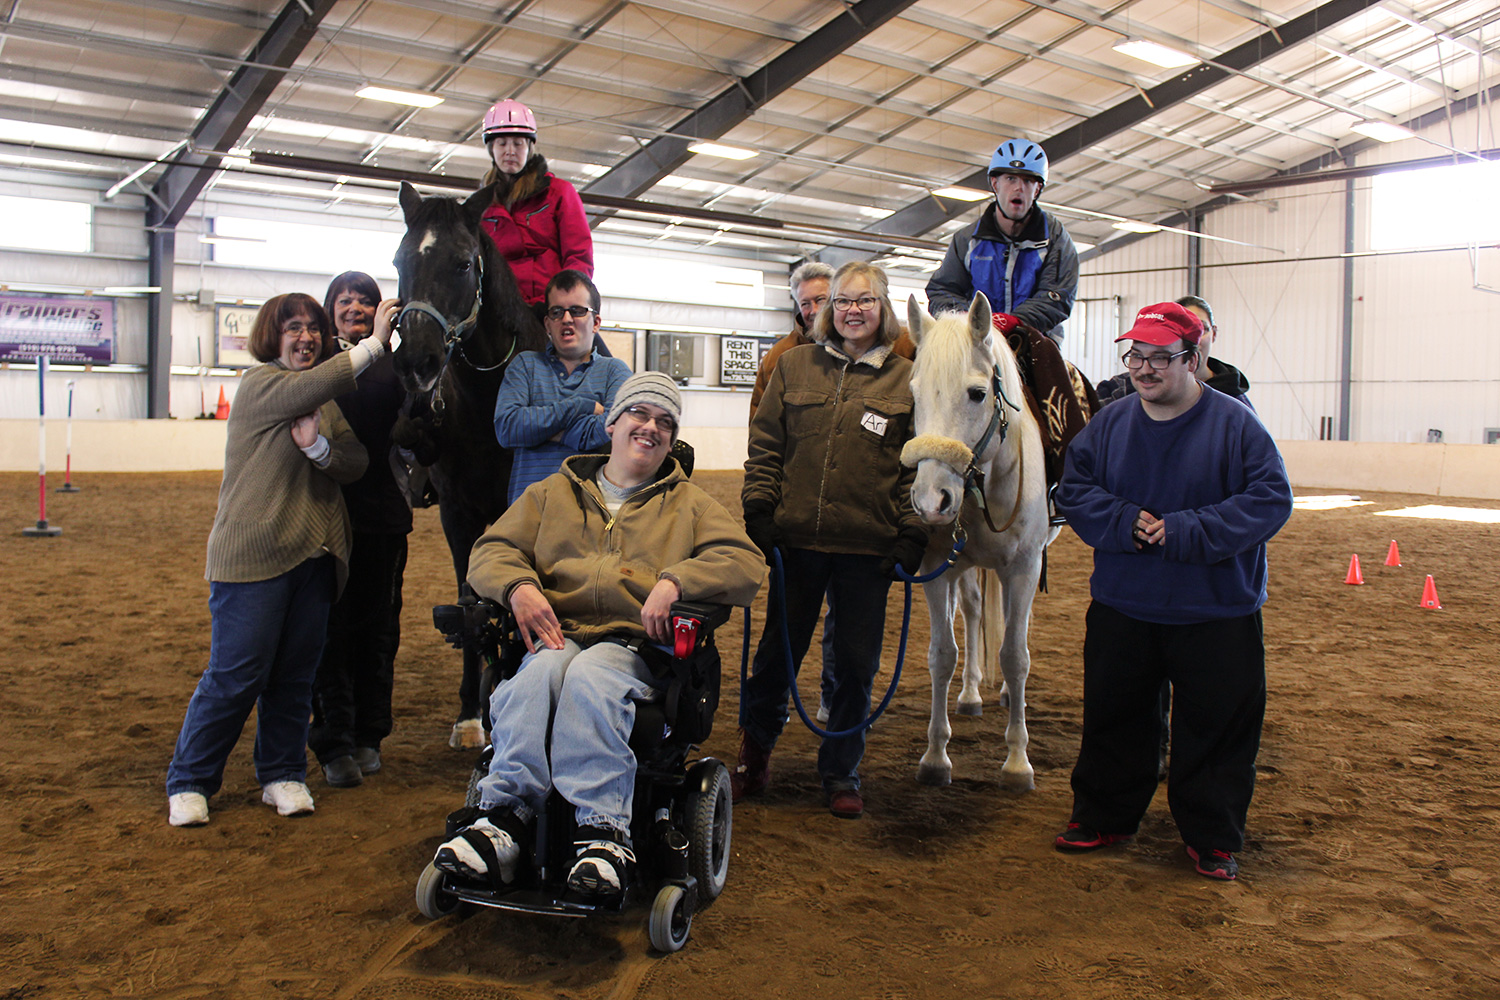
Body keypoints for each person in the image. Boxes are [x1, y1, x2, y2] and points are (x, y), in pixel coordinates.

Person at [430, 372, 764, 899]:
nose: (650, 427)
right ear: (611, 423)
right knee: (537, 674)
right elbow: (492, 550)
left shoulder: (690, 505)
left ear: (671, 440)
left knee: (588, 675)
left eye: (665, 422)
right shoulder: (551, 493)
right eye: (639, 414)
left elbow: (745, 563)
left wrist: (677, 581)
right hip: (557, 634)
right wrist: (518, 587)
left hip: (633, 646)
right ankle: (502, 819)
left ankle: (605, 833)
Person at [1051, 301, 1292, 881]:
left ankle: (1212, 836)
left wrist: (1189, 530)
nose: (1144, 368)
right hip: (1124, 605)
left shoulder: (1236, 424)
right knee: (1115, 718)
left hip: (1216, 610)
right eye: (1136, 356)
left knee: (1217, 727)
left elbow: (1270, 499)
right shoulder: (1108, 425)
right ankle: (1104, 816)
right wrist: (1121, 520)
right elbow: (1074, 490)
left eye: (1160, 357)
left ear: (1192, 358)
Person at [165, 291, 400, 826]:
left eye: (313, 328)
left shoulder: (323, 402)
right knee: (236, 675)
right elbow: (316, 386)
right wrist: (374, 344)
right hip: (254, 558)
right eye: (294, 328)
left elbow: (356, 460)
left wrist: (318, 448)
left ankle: (283, 773)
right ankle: (191, 779)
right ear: (272, 337)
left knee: (295, 676)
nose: (306, 337)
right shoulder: (262, 384)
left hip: (314, 558)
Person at [737, 261, 928, 821]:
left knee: (855, 666)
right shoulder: (793, 366)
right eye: (842, 301)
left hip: (869, 549)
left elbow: (915, 464)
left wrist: (913, 529)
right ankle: (754, 755)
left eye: (864, 301)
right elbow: (766, 444)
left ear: (883, 309)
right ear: (826, 309)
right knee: (776, 658)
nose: (852, 311)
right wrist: (758, 506)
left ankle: (842, 771)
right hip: (796, 543)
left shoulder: (908, 379)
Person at [309, 272, 411, 789]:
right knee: (329, 632)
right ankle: (334, 739)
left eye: (365, 300)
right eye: (344, 299)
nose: (354, 307)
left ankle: (371, 733)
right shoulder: (319, 366)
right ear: (330, 308)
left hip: (383, 517)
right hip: (325, 518)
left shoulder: (398, 367)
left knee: (379, 631)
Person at [493, 269, 632, 504]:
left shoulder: (615, 372)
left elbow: (612, 432)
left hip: (591, 513)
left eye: (577, 311)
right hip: (528, 514)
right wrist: (581, 406)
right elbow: (508, 429)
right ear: (547, 324)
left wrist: (540, 432)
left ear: (596, 322)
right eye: (557, 312)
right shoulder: (524, 366)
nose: (566, 319)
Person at [925, 138, 1078, 343]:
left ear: (1037, 189)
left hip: (1034, 339)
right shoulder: (966, 240)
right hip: (976, 338)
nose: (1019, 188)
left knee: (1050, 363)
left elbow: (1057, 296)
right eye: (1011, 179)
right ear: (995, 184)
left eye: (1028, 181)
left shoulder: (1055, 239)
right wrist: (968, 318)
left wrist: (1016, 321)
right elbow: (942, 290)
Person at [476, 98, 593, 307]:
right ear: (491, 148)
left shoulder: (559, 193)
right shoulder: (482, 205)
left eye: (518, 143)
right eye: (502, 143)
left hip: (549, 307)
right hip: (498, 309)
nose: (510, 151)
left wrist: (563, 304)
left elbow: (578, 255)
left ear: (529, 147)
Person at [1097, 294, 1252, 407]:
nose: (1194, 339)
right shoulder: (1119, 391)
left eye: (1201, 330)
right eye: (1137, 356)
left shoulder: (1235, 410)